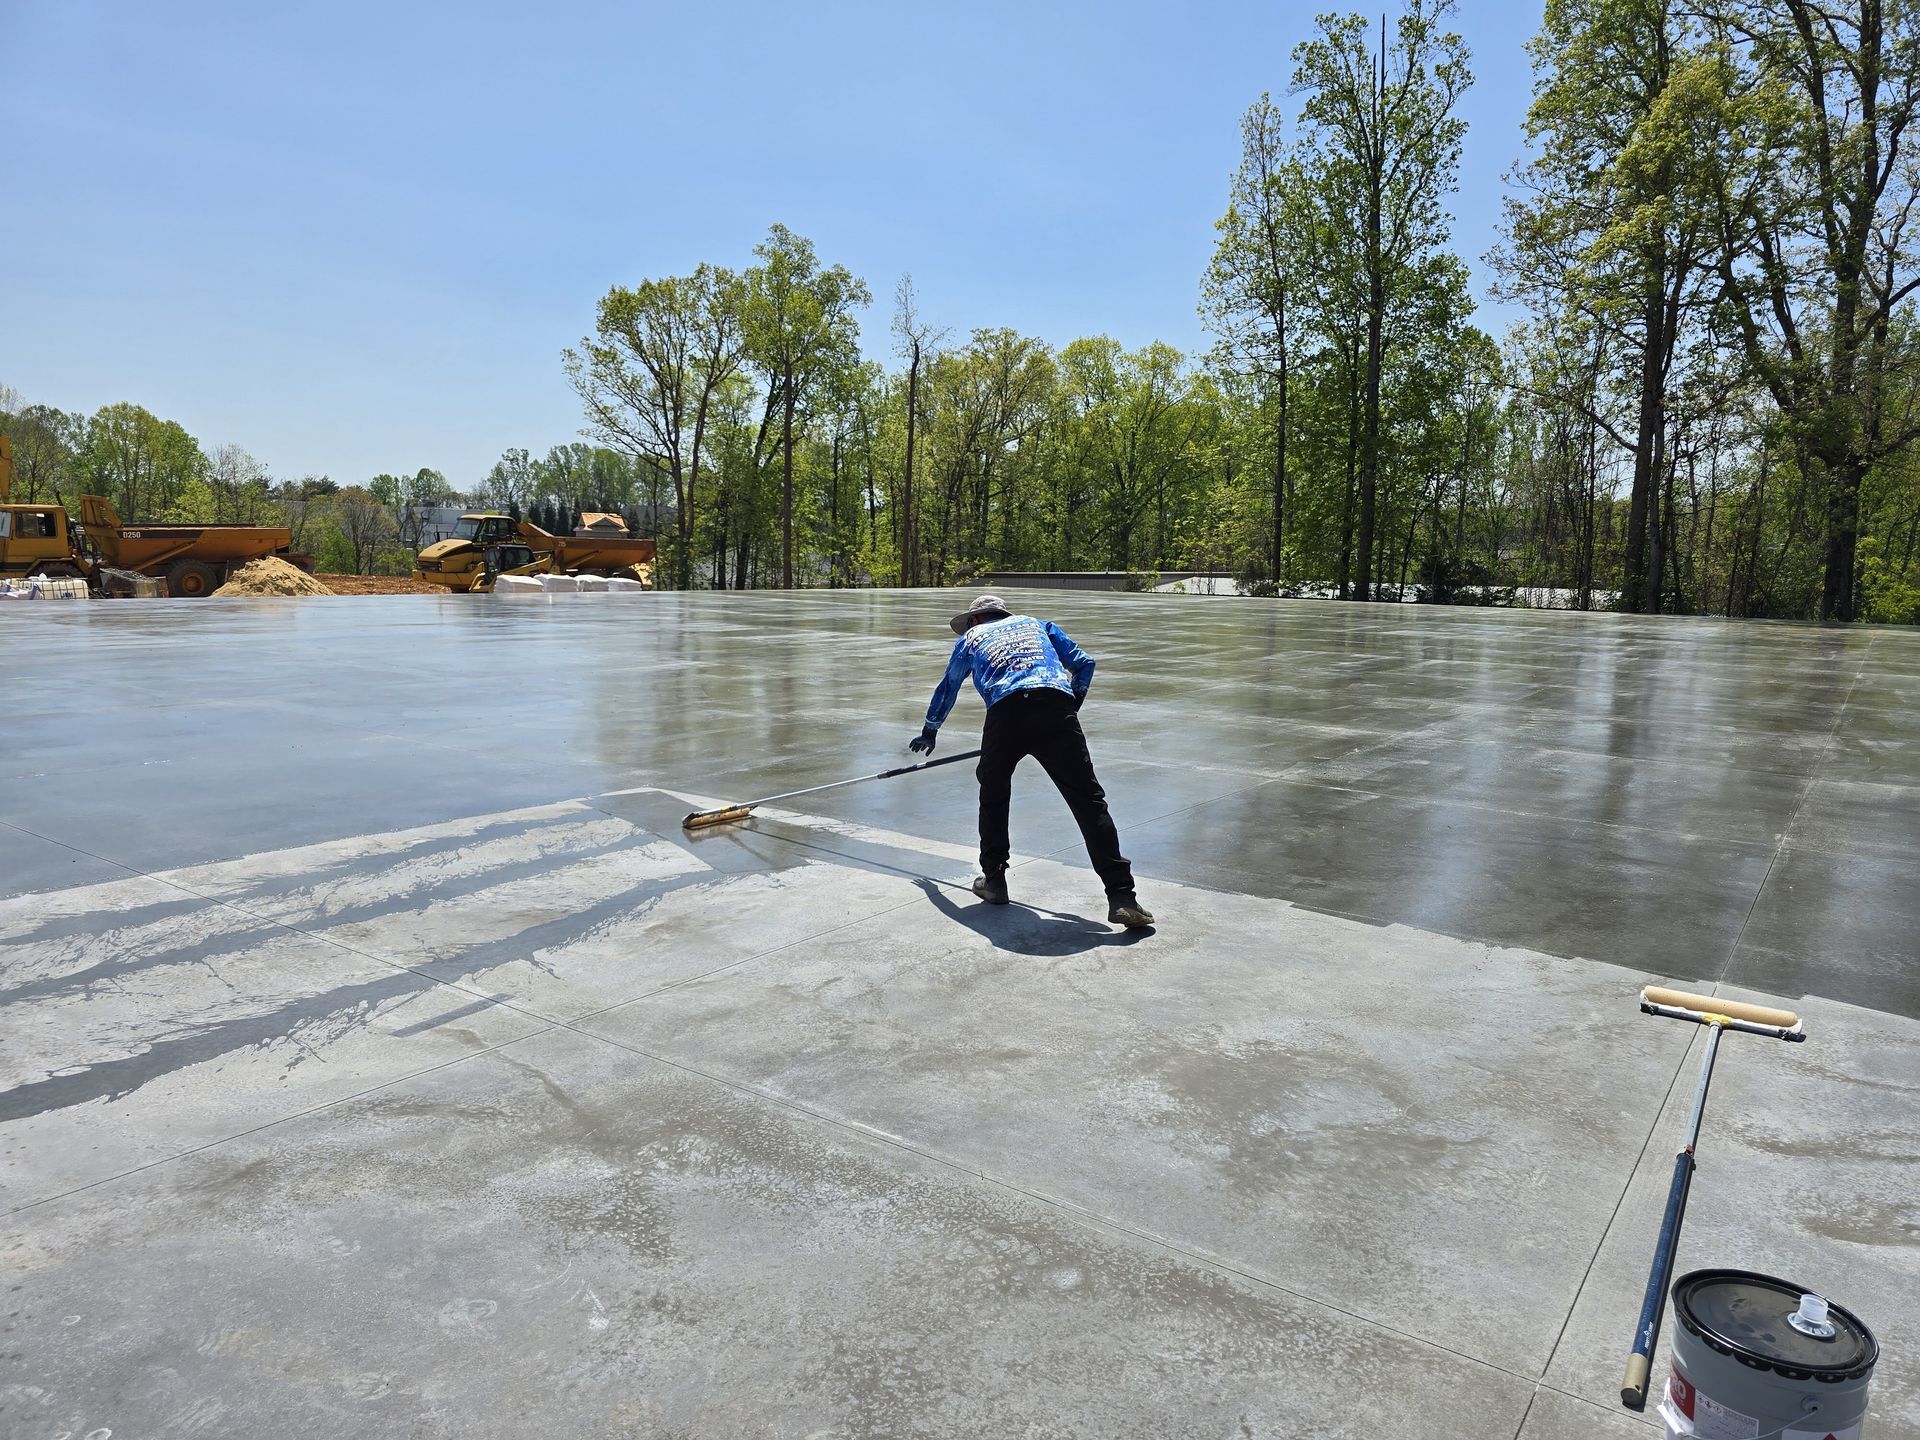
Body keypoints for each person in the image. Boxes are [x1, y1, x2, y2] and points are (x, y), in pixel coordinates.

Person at [911, 595, 1154, 929]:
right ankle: (1122, 898)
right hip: (1055, 706)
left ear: (974, 620)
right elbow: (1085, 663)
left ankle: (994, 881)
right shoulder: (1038, 624)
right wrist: (1069, 708)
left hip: (1006, 712)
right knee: (1089, 802)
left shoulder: (971, 638)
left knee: (993, 796)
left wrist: (930, 730)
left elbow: (949, 685)